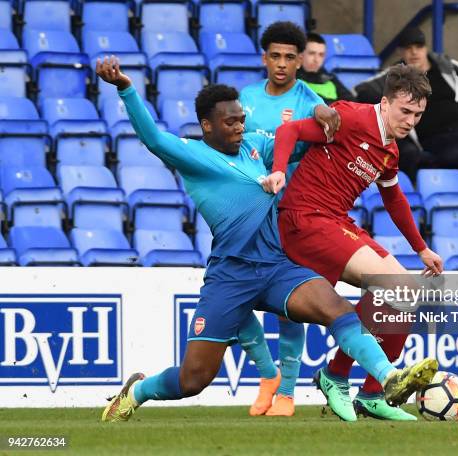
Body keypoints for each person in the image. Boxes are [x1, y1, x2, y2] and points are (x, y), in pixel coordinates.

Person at [96, 57, 438, 423]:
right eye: (230, 122)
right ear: (207, 125)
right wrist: (126, 89)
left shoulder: (255, 145)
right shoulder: (193, 155)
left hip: (276, 267)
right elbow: (152, 137)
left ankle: (386, 379)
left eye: (242, 119)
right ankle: (137, 391)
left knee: (338, 309)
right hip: (232, 276)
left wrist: (324, 110)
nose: (239, 127)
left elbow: (302, 135)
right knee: (193, 379)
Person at [262, 64, 444, 422]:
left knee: (406, 294)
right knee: (395, 285)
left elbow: (394, 199)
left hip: (336, 222)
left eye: (418, 115)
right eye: (405, 111)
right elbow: (289, 130)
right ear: (385, 102)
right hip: (304, 217)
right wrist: (280, 170)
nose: (410, 121)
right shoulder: (350, 117)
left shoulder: (391, 150)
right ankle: (336, 375)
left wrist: (420, 247)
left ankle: (372, 394)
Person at [237, 21, 340, 418]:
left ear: (300, 61)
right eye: (275, 56)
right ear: (264, 58)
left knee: (287, 308)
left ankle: (288, 393)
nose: (281, 64)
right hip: (244, 214)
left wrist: (324, 112)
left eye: (289, 58)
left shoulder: (306, 97)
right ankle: (268, 375)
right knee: (233, 300)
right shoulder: (244, 97)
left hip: (284, 215)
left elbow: (323, 113)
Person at [355, 27, 458, 177]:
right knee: (453, 159)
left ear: (425, 48)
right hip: (436, 136)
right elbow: (361, 90)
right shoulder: (396, 75)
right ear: (400, 52)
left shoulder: (448, 66)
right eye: (408, 48)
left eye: (419, 47)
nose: (414, 52)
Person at [297, 32, 355, 104]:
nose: (316, 60)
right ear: (300, 54)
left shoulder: (330, 78)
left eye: (321, 55)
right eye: (311, 53)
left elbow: (352, 103)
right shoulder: (292, 80)